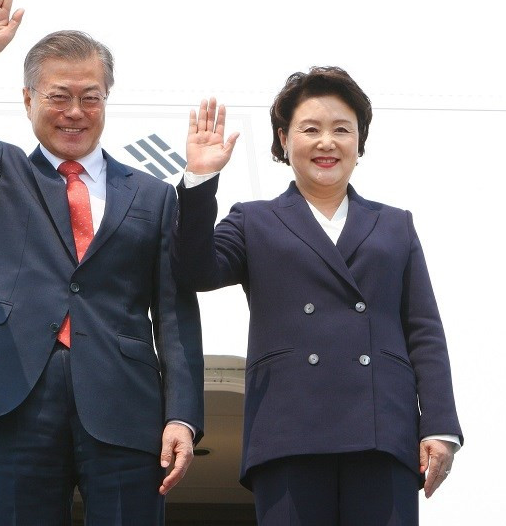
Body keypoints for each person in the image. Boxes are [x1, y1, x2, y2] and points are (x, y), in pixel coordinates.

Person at [0, 0, 204, 525]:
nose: (75, 111)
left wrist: (182, 417)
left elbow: (174, 315)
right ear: (28, 99)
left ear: (106, 100)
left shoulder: (152, 195)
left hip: (125, 402)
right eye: (58, 96)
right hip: (19, 391)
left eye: (89, 97)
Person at [171, 67, 462, 525]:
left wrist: (440, 425)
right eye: (311, 129)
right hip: (289, 430)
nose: (327, 142)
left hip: (382, 429)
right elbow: (193, 270)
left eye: (341, 130)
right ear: (284, 139)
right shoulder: (254, 220)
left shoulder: (395, 224)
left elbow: (423, 330)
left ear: (359, 143)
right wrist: (200, 179)